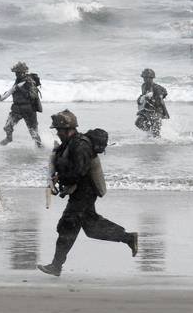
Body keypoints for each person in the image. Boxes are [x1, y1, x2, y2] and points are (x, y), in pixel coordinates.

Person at [38, 110, 138, 277]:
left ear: (68, 129)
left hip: (85, 191)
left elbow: (79, 172)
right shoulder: (69, 143)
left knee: (68, 226)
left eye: (59, 130)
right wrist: (58, 177)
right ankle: (128, 238)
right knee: (91, 228)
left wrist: (61, 178)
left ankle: (56, 266)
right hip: (80, 191)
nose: (57, 133)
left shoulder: (80, 146)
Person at [0, 61, 43, 147]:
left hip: (29, 110)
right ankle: (9, 138)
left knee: (33, 132)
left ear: (24, 72)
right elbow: (13, 90)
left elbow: (33, 96)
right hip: (17, 108)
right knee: (7, 126)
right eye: (16, 73)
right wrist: (6, 94)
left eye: (18, 72)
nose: (16, 74)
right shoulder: (18, 80)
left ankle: (40, 147)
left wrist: (21, 89)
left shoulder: (30, 81)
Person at [135, 68, 169, 137]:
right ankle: (150, 132)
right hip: (147, 109)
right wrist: (140, 99)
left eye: (147, 78)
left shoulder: (156, 88)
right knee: (138, 123)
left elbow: (162, 99)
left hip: (157, 110)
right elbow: (143, 96)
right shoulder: (143, 86)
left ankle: (157, 138)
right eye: (144, 77)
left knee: (156, 132)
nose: (145, 79)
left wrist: (165, 113)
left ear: (152, 78)